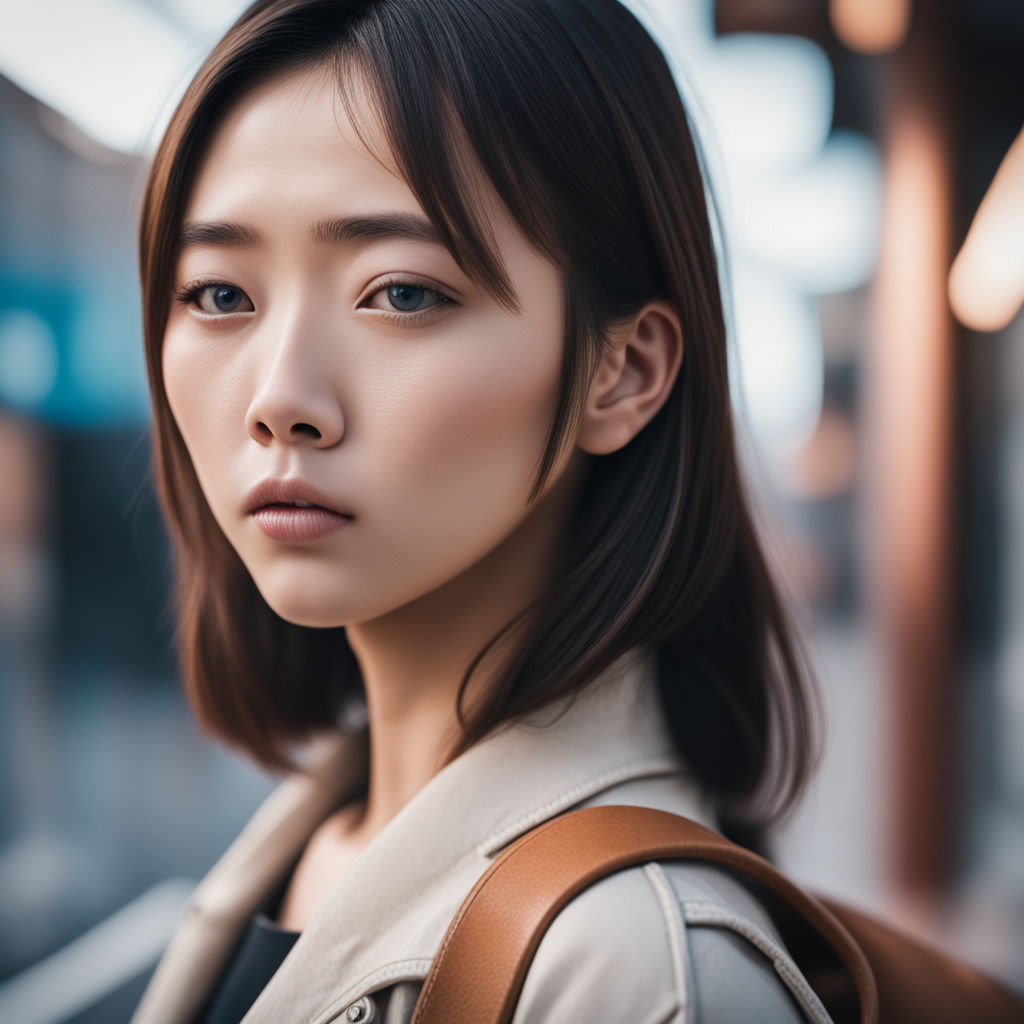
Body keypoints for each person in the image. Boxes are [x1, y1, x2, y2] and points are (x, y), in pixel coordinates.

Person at [130, 0, 826, 1021]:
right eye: (220, 295)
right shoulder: (317, 840)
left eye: (401, 293)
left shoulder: (634, 971)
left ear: (620, 370)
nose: (279, 396)